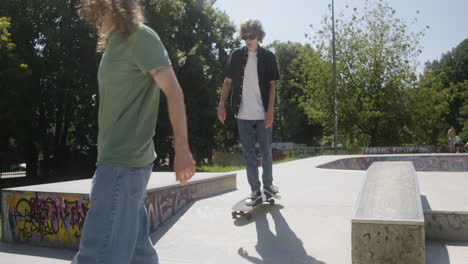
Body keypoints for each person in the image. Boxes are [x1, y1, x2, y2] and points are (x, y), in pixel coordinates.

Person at [73, 0, 195, 263]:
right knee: (139, 253)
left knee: (97, 255)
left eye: (99, 11)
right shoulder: (113, 45)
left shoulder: (140, 37)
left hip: (123, 165)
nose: (96, 19)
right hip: (115, 162)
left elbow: (174, 91)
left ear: (114, 7)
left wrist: (182, 149)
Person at [217, 19, 281, 206]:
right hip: (242, 114)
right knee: (248, 154)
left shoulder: (268, 57)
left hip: (262, 114)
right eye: (244, 37)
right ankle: (255, 191)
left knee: (267, 152)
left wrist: (270, 111)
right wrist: (221, 105)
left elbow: (272, 86)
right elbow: (228, 81)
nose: (247, 40)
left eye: (251, 36)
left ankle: (268, 186)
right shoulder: (236, 55)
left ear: (259, 36)